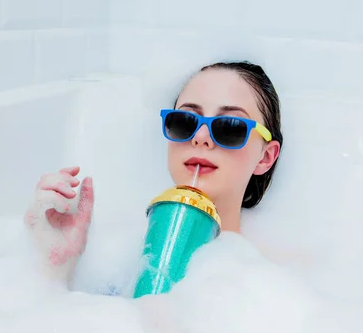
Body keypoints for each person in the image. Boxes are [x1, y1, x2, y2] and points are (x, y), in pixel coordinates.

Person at [24, 61, 283, 290]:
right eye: (185, 121)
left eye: (230, 127)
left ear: (265, 157)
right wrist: (56, 269)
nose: (200, 138)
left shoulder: (274, 278)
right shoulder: (116, 256)